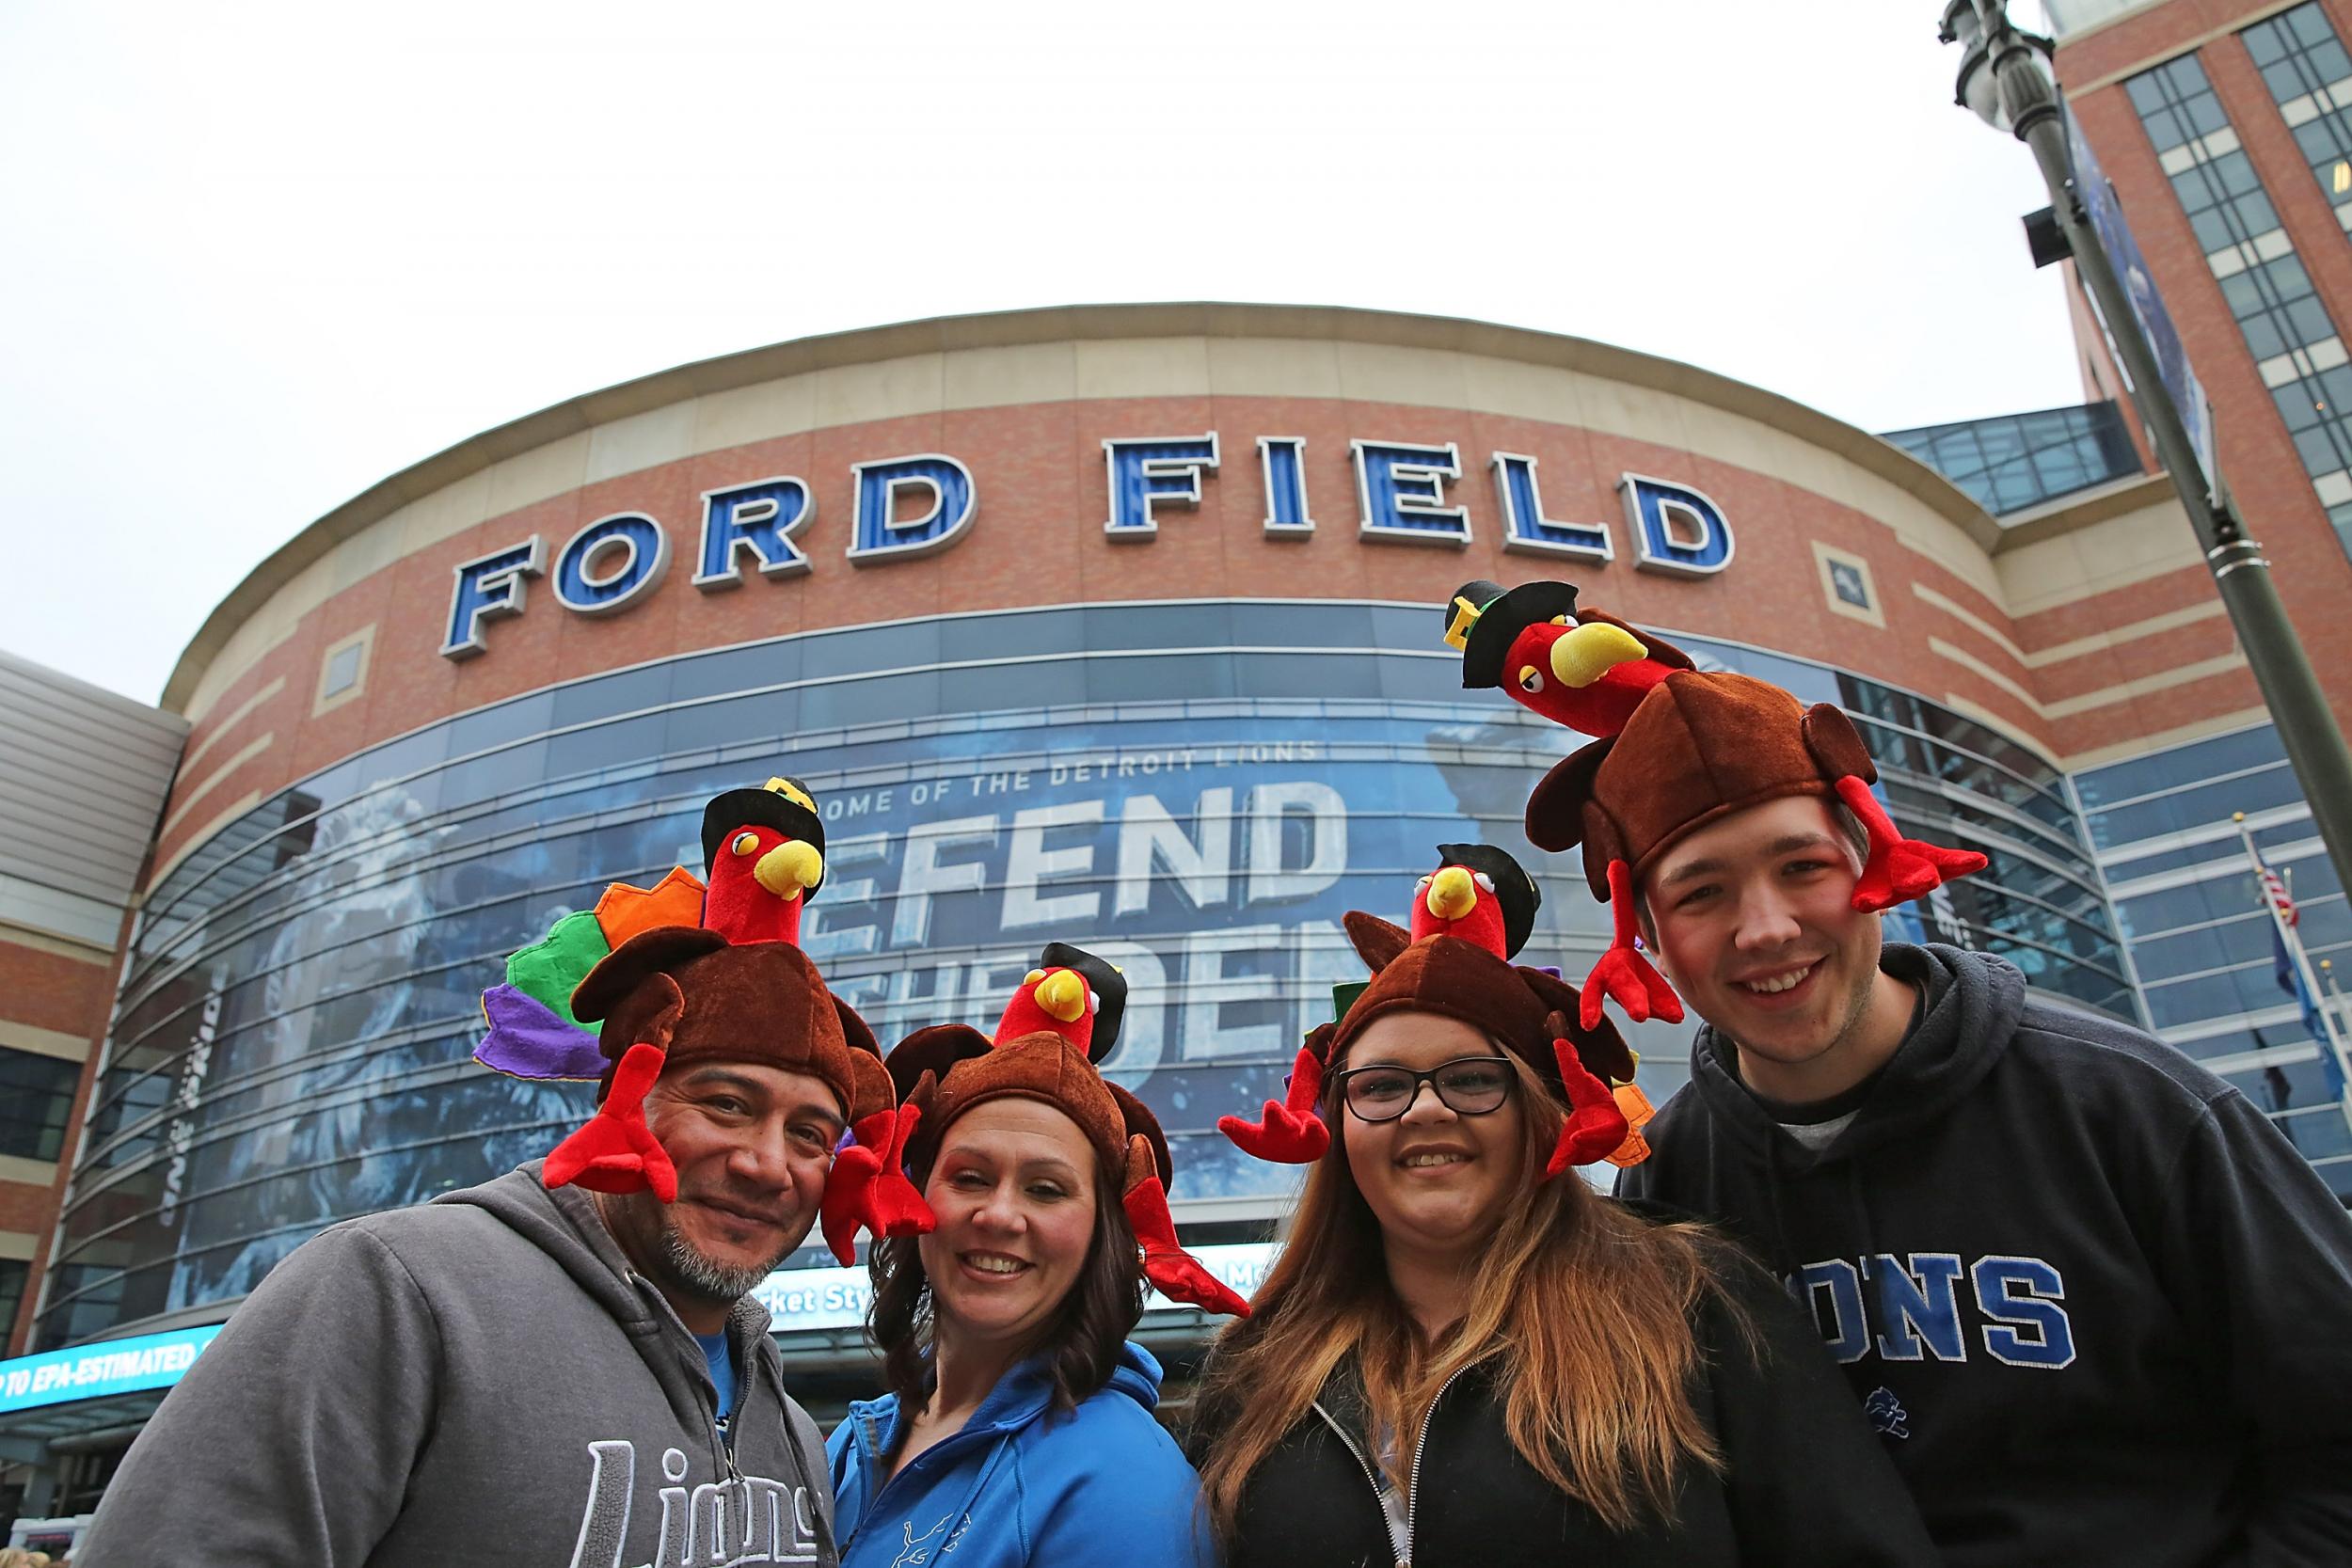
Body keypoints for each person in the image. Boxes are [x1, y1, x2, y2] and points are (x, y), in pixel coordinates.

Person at [1525, 657, 2352, 1565]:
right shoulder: (1671, 1177)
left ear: (1875, 862)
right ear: (1647, 935)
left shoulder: (2133, 1106)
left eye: (1803, 867)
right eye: (1701, 892)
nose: (1765, 927)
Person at [79, 786, 925, 1568]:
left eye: (809, 1134)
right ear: (625, 1096)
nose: (766, 1162)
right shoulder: (395, 1293)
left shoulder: (793, 1429)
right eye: (726, 1103)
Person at [1191, 853, 1938, 1567]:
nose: (1425, 1110)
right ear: (1339, 1125)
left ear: (1540, 1111)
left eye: (1473, 1078)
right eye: (1381, 1086)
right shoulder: (1257, 1362)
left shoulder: (1697, 1304)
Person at [827, 943, 1239, 1568]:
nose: (999, 1215)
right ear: (916, 1193)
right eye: (969, 1177)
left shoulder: (1127, 1489)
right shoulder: (851, 1443)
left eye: (1046, 1189)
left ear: (1101, 1236)